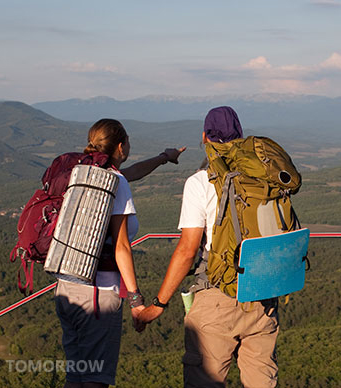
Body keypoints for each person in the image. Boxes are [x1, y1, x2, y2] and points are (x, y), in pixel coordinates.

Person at [137, 107, 280, 388]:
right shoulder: (264, 177)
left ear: (205, 138)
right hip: (262, 295)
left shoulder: (200, 182)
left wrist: (158, 304)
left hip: (217, 296)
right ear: (240, 137)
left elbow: (187, 250)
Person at [54, 118, 185, 388]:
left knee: (76, 375)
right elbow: (121, 247)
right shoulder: (116, 182)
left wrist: (164, 157)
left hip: (66, 288)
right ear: (121, 147)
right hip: (98, 296)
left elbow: (132, 172)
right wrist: (136, 301)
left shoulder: (82, 172)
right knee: (95, 379)